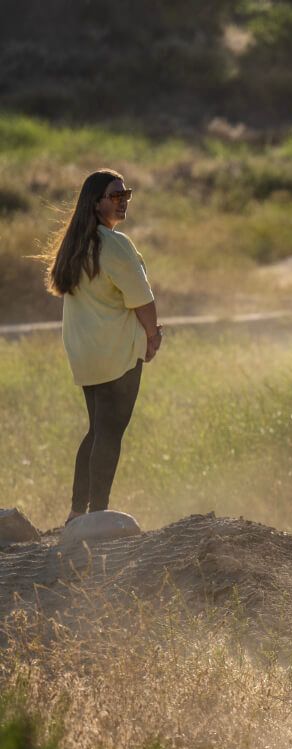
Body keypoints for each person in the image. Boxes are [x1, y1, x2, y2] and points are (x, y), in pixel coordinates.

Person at [45, 169, 161, 525]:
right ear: (96, 203)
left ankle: (76, 512)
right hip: (117, 354)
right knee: (109, 434)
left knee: (96, 431)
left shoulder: (75, 245)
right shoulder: (114, 244)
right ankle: (97, 516)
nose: (123, 201)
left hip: (86, 355)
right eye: (115, 196)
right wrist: (153, 337)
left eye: (126, 194)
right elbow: (142, 299)